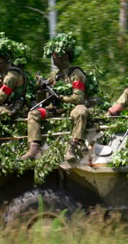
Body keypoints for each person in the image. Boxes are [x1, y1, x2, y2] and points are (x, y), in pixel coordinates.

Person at [20, 33, 89, 162]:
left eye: (54, 55)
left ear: (64, 56)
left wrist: (61, 98)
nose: (53, 58)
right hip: (55, 109)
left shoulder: (76, 74)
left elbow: (78, 98)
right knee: (34, 113)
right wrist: (40, 86)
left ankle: (72, 147)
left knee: (81, 111)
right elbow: (42, 99)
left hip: (72, 108)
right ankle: (34, 147)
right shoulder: (55, 76)